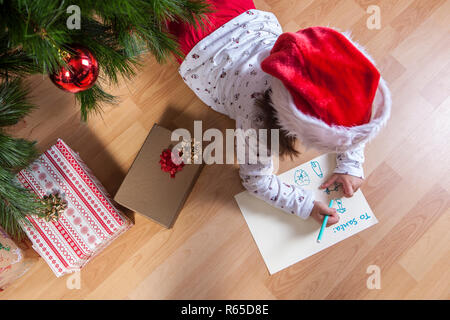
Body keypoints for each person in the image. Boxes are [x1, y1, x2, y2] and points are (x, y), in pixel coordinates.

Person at [168, 0, 391, 226]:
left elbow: (348, 101)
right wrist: (305, 205)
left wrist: (351, 163)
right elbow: (256, 181)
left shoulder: (304, 55)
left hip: (239, 13)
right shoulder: (257, 122)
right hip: (196, 44)